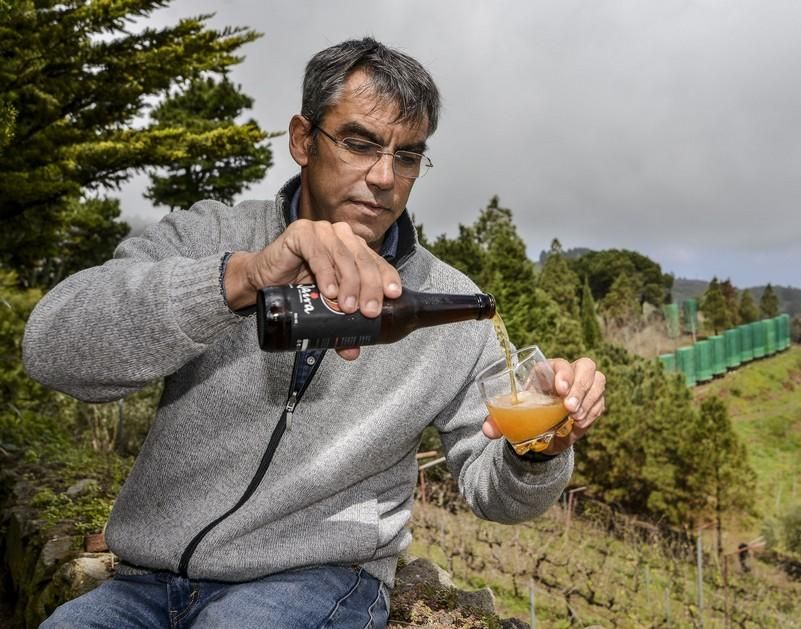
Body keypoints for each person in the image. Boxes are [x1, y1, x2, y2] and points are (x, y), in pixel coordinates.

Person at [23, 37, 606, 628]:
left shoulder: (451, 307)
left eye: (407, 156)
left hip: (314, 582)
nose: (384, 177)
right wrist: (241, 279)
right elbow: (51, 347)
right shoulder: (211, 234)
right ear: (303, 140)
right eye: (360, 143)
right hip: (144, 580)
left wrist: (541, 445)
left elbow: (494, 493)